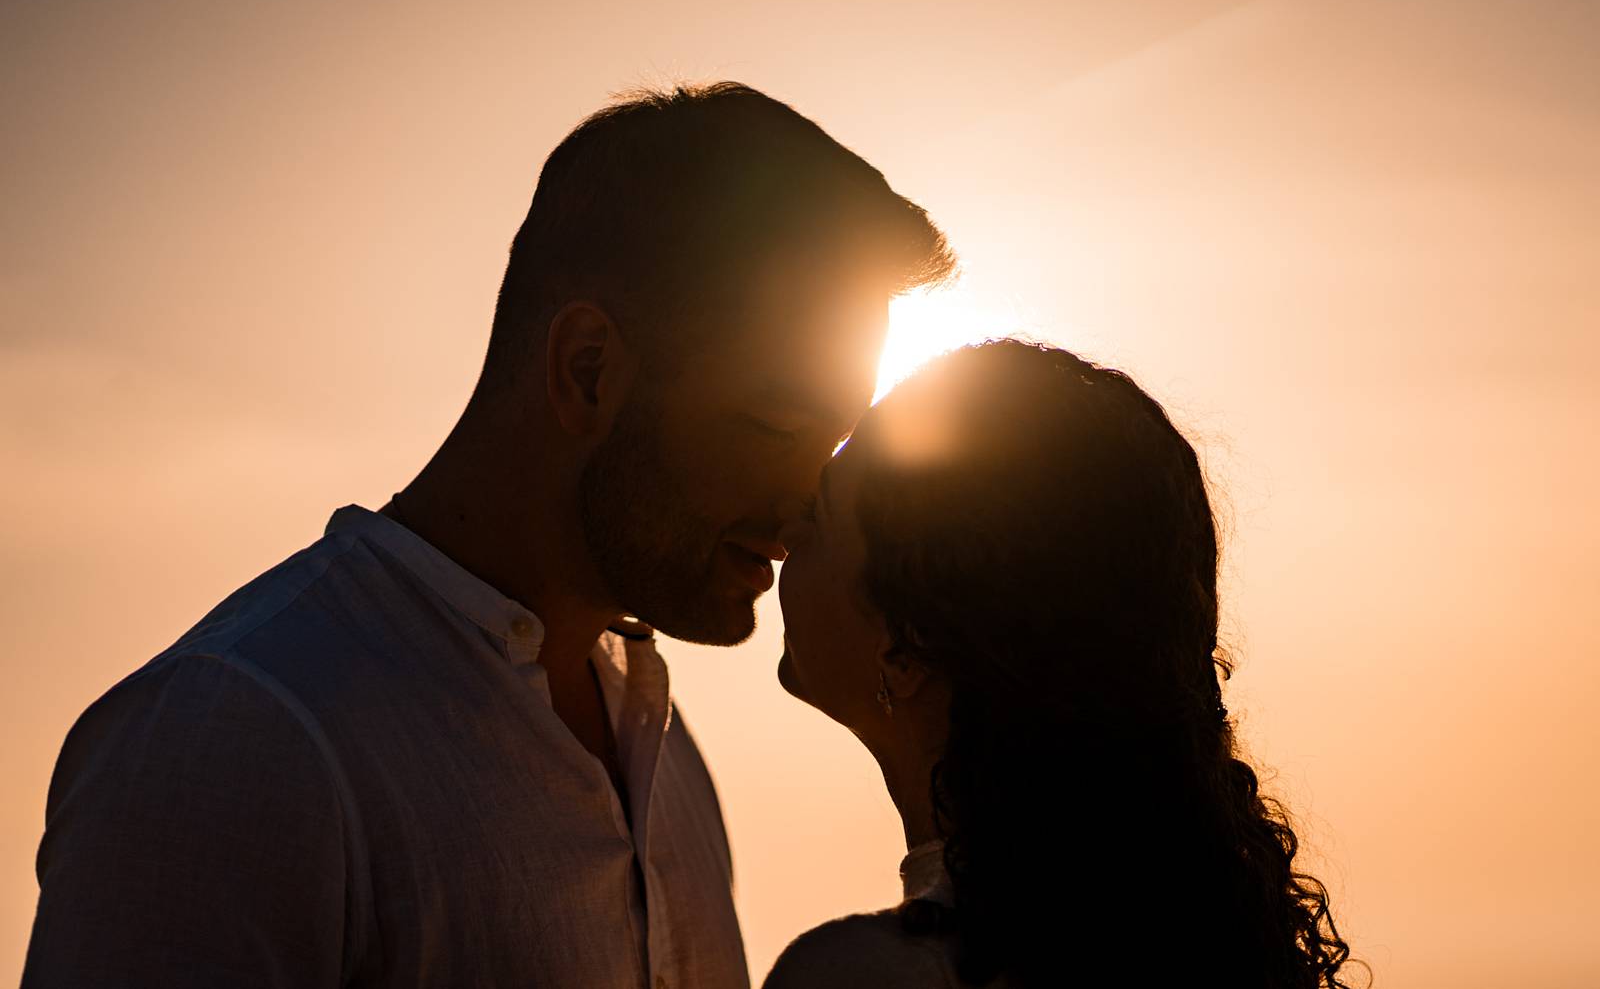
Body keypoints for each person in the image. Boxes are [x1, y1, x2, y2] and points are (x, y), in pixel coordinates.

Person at [23, 82, 955, 989]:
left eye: (831, 443)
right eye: (777, 426)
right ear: (587, 370)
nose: (805, 504)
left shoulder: (661, 750)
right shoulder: (238, 738)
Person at [766, 340, 1357, 988]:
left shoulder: (866, 976)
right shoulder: (1190, 952)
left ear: (907, 647)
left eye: (817, 518)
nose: (784, 537)